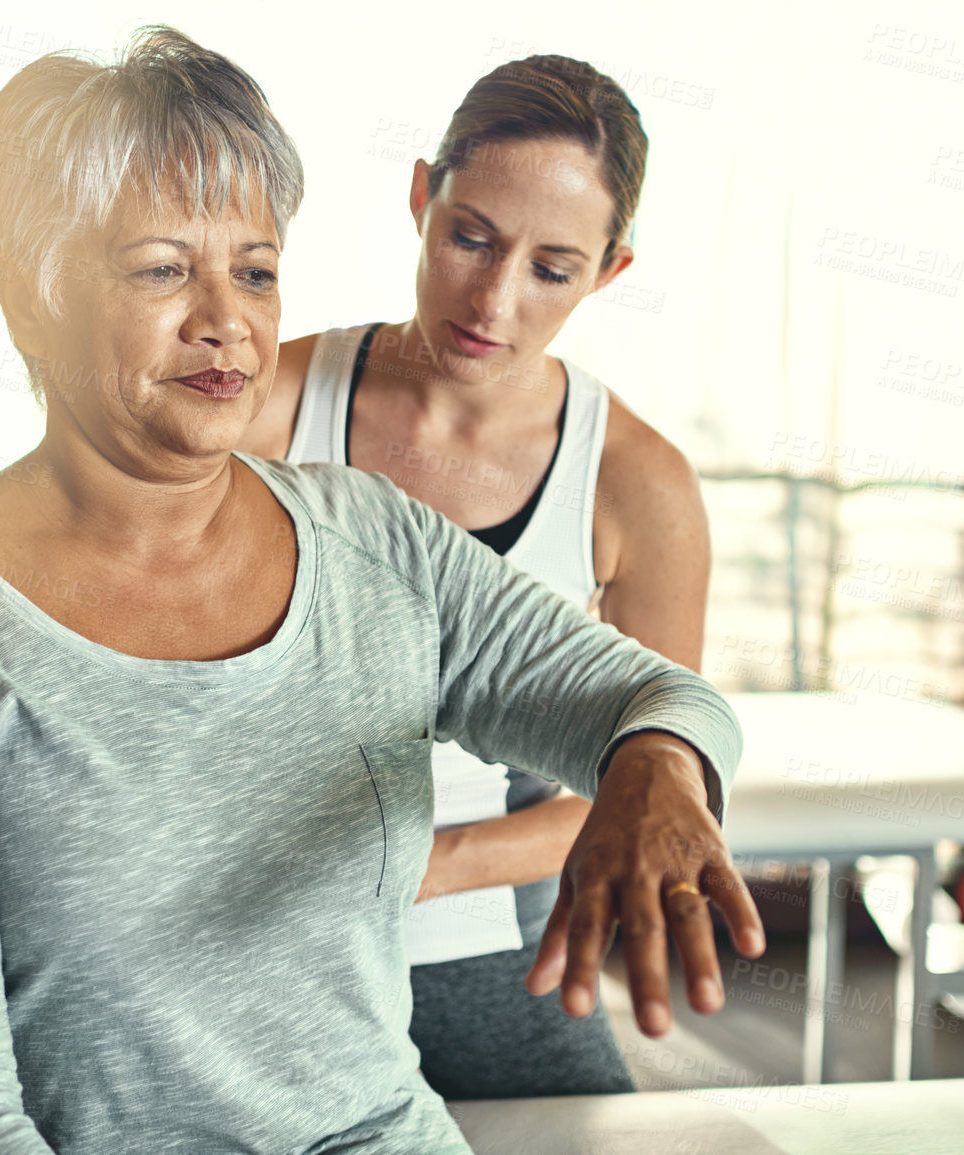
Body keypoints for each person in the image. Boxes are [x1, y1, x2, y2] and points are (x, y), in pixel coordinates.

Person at [0, 27, 761, 1155]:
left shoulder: (375, 538)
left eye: (254, 269)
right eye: (161, 268)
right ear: (26, 290)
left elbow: (667, 700)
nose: (226, 321)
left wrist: (659, 765)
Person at [237, 55, 708, 1099]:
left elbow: (632, 789)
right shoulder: (269, 403)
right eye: (470, 239)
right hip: (264, 935)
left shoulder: (640, 486)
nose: (493, 301)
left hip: (486, 947)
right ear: (421, 198)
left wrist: (415, 867)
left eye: (552, 269)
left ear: (610, 272)